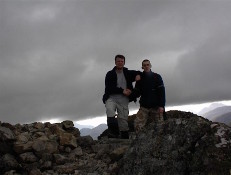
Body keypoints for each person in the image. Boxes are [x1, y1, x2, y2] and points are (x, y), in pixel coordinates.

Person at [102, 54, 140, 139]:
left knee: (123, 121)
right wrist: (122, 90)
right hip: (111, 98)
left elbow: (139, 73)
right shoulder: (110, 74)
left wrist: (138, 75)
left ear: (124, 62)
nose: (120, 63)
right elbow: (109, 88)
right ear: (115, 62)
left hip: (123, 100)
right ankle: (113, 134)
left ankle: (125, 140)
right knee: (110, 111)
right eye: (118, 61)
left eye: (122, 61)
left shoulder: (127, 73)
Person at [134, 59, 166, 133]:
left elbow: (162, 92)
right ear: (142, 67)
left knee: (160, 128)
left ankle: (159, 144)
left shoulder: (157, 77)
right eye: (144, 65)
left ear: (150, 65)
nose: (146, 66)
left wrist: (161, 106)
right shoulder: (140, 78)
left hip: (156, 107)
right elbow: (137, 92)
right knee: (137, 125)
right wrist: (131, 94)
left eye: (147, 65)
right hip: (144, 107)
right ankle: (140, 143)